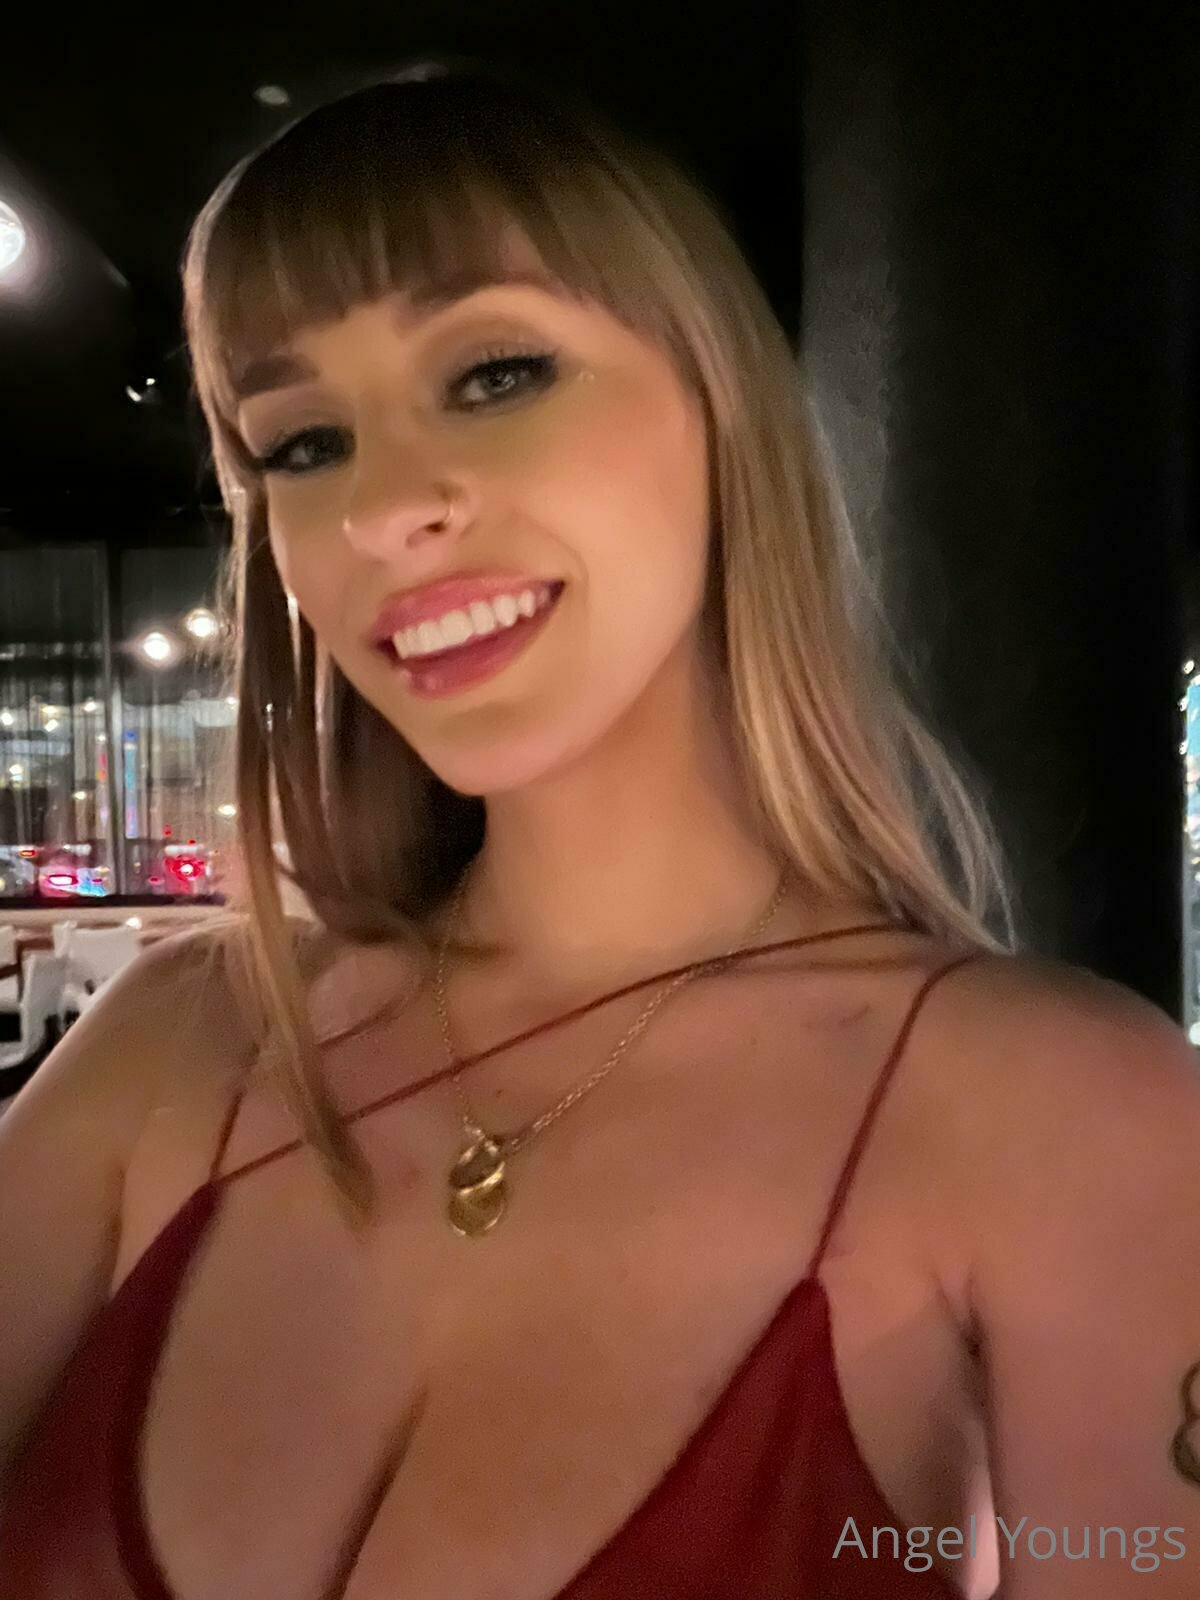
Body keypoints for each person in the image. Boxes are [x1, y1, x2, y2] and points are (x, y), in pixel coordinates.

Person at [1, 54, 1198, 1600]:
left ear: (723, 408)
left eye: (496, 373)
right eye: (303, 444)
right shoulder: (180, 1050)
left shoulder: (1071, 1124)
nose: (379, 512)